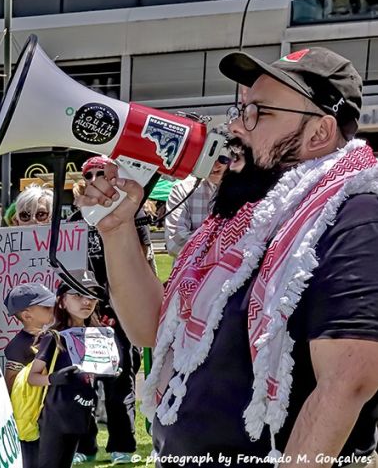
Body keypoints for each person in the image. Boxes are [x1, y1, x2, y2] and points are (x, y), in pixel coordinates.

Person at [77, 47, 378, 467]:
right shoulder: (242, 223)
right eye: (240, 109)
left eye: (259, 113)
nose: (236, 125)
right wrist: (116, 229)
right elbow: (152, 329)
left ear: (319, 133)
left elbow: (348, 382)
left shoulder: (355, 214)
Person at [71, 156, 154, 465]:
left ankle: (122, 445)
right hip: (85, 309)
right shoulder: (77, 218)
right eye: (90, 173)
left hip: (121, 308)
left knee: (120, 380)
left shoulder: (132, 215)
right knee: (84, 380)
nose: (96, 177)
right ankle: (85, 446)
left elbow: (143, 260)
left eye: (102, 172)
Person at [27, 280, 103, 468]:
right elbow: (32, 377)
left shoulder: (98, 335)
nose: (86, 301)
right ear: (61, 302)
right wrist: (53, 378)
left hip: (82, 415)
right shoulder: (54, 337)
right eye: (78, 295)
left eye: (92, 296)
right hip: (56, 417)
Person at [4, 283, 55, 468]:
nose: (53, 309)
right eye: (47, 307)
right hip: (30, 414)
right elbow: (12, 380)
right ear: (27, 315)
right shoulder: (18, 347)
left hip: (49, 409)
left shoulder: (52, 337)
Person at [163, 154, 229, 257]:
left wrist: (198, 239)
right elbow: (175, 244)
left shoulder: (247, 190)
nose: (215, 166)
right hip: (190, 271)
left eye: (222, 159)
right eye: (210, 158)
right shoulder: (183, 189)